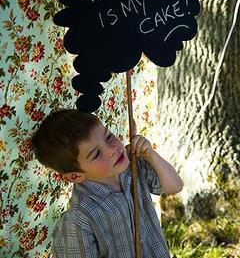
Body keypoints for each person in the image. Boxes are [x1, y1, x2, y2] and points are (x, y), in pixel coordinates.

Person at [32, 109, 183, 258]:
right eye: (96, 154)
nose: (112, 149)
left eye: (108, 137)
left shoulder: (133, 165)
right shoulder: (78, 222)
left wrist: (151, 155)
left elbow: (175, 186)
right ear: (75, 176)